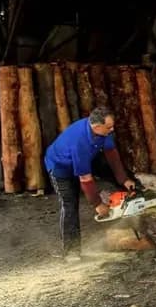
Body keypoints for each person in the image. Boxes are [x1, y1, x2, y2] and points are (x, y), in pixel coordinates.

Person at [44, 106, 135, 260]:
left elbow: (111, 154)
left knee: (109, 172)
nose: (112, 130)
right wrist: (97, 204)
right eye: (109, 127)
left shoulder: (103, 132)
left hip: (86, 159)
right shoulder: (79, 141)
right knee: (69, 205)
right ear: (97, 127)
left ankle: (126, 205)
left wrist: (123, 179)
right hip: (61, 169)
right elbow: (85, 179)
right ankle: (72, 252)